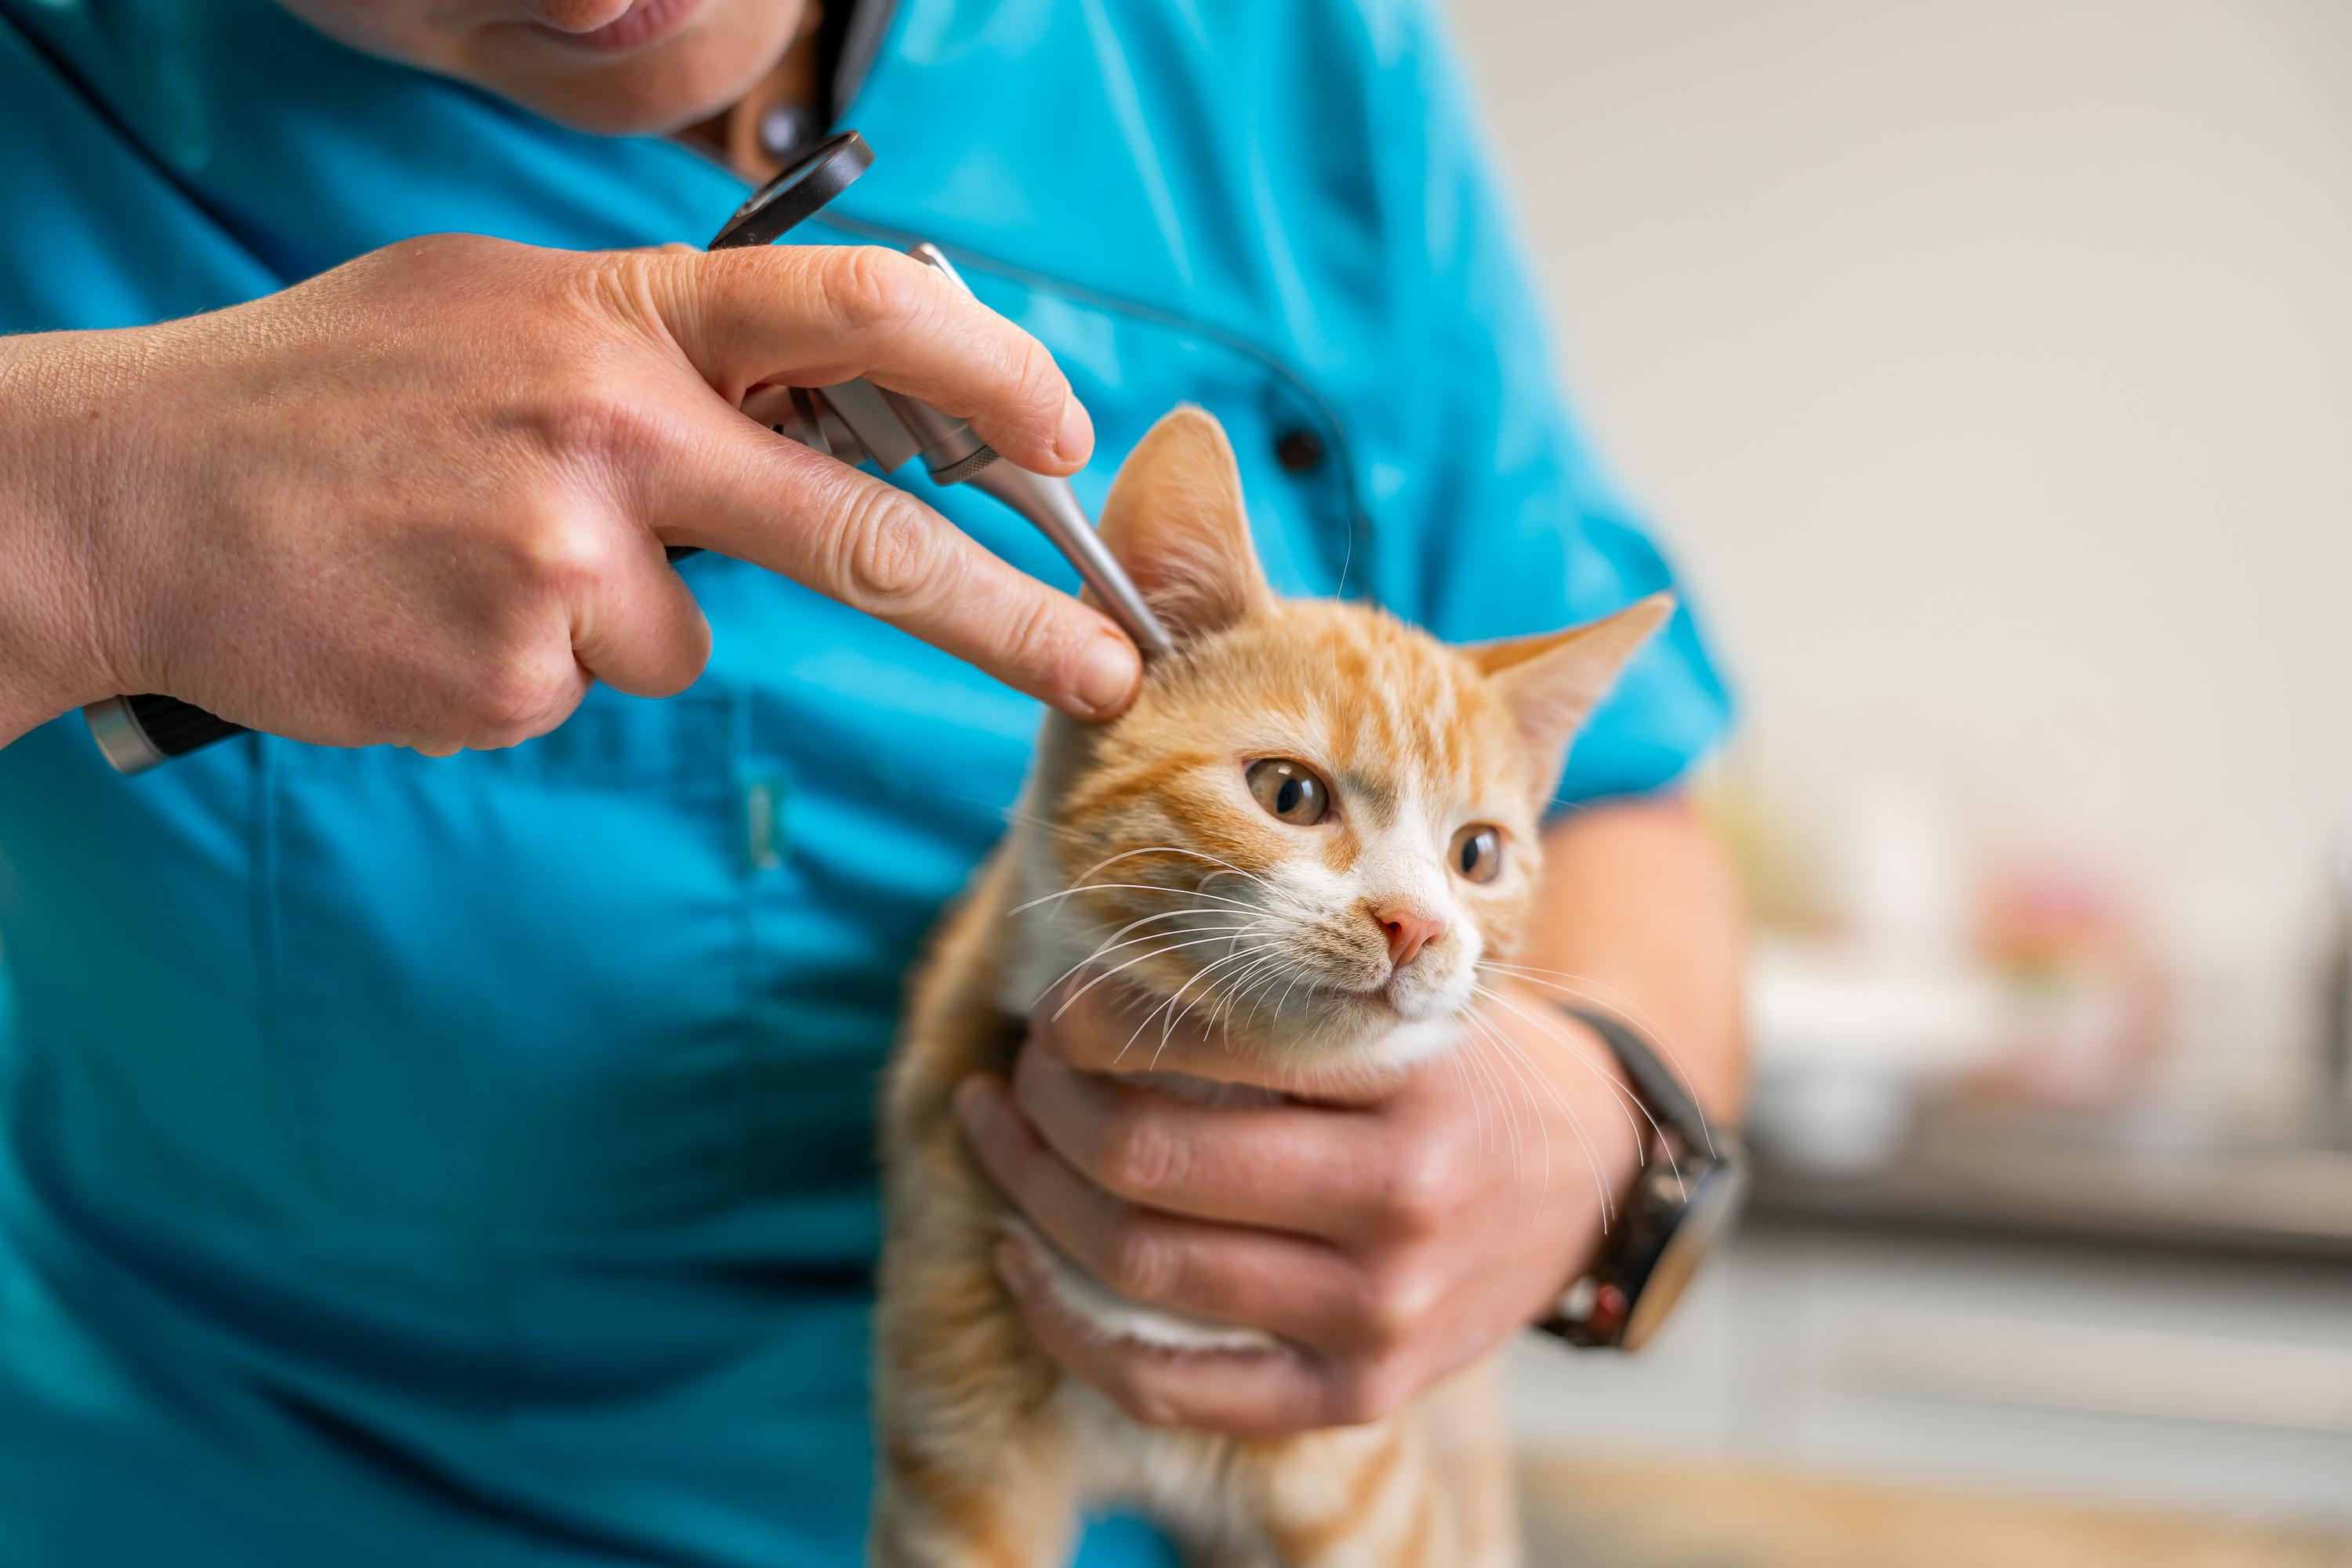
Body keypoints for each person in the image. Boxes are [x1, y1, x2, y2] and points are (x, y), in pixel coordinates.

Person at [0, 1, 1744, 1563]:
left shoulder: (1276, 48)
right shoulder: (51, 95)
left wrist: (1594, 1141)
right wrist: (75, 510)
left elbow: (1620, 795)